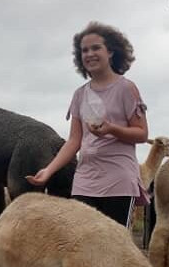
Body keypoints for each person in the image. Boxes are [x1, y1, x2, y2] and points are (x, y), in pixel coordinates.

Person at [26, 21, 149, 228]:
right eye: (84, 50)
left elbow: (142, 133)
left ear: (110, 52)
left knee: (113, 248)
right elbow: (75, 140)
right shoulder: (80, 94)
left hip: (118, 181)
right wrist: (49, 170)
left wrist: (112, 129)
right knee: (81, 247)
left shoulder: (126, 88)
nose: (89, 54)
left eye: (95, 48)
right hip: (85, 182)